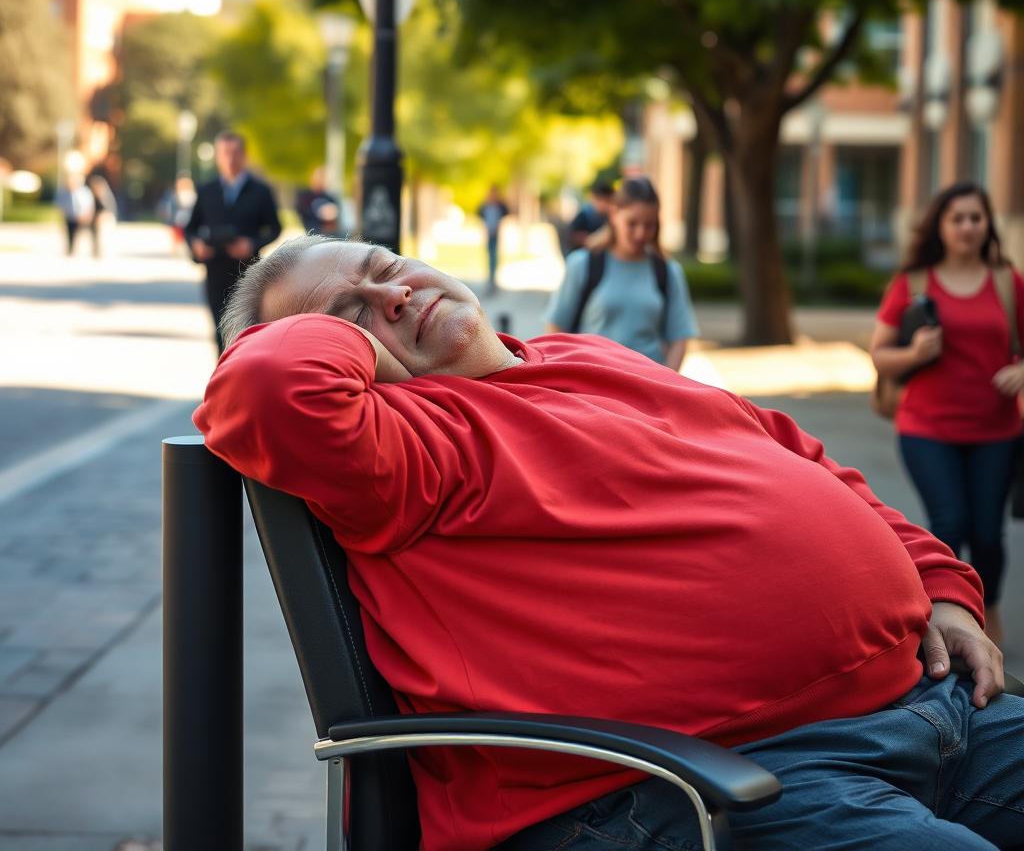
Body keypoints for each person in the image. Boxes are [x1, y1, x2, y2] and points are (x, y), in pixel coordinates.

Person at [193, 233, 1023, 851]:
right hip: (704, 785)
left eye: (386, 266)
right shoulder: (409, 445)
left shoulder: (582, 354)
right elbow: (264, 388)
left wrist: (941, 584)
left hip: (937, 710)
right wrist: (352, 324)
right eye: (351, 311)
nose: (394, 295)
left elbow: (798, 455)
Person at [871, 181, 1024, 648]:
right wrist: (914, 352)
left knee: (988, 534)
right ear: (940, 225)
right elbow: (879, 356)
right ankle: (943, 616)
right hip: (927, 429)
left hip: (997, 430)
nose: (967, 227)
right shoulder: (914, 282)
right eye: (957, 218)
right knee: (950, 523)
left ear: (987, 225)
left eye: (976, 217)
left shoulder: (1006, 280)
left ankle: (987, 609)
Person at [546, 177, 698, 371]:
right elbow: (556, 330)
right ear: (614, 215)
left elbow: (679, 339)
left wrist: (667, 382)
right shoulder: (583, 264)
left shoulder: (668, 272)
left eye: (649, 225)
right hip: (592, 388)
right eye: (632, 223)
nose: (641, 234)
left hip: (648, 388)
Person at [183, 130, 281, 354]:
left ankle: (241, 379)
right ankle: (223, 381)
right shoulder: (206, 191)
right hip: (215, 271)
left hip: (247, 272)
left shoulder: (261, 191)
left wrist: (252, 244)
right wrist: (196, 246)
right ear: (217, 156)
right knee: (219, 331)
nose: (230, 158)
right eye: (225, 153)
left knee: (244, 333)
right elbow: (190, 228)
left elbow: (275, 228)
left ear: (244, 155)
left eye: (235, 153)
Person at [55, 168, 95, 256]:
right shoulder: (64, 191)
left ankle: (81, 250)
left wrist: (87, 214)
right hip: (69, 216)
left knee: (81, 234)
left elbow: (89, 204)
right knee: (70, 234)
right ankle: (70, 250)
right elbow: (59, 203)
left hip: (81, 216)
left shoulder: (84, 191)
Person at [477, 184, 509, 293]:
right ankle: (490, 279)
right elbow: (480, 215)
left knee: (494, 257)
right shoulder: (485, 206)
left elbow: (506, 212)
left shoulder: (499, 206)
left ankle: (493, 280)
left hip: (496, 234)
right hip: (488, 234)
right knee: (489, 256)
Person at [568, 181, 615, 251]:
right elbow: (574, 235)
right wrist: (591, 239)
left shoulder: (612, 215)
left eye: (607, 201)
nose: (604, 204)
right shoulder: (585, 214)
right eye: (601, 200)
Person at [295, 166, 342, 236]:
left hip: (329, 233)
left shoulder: (330, 198)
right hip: (312, 231)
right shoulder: (306, 196)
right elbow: (301, 212)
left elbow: (337, 215)